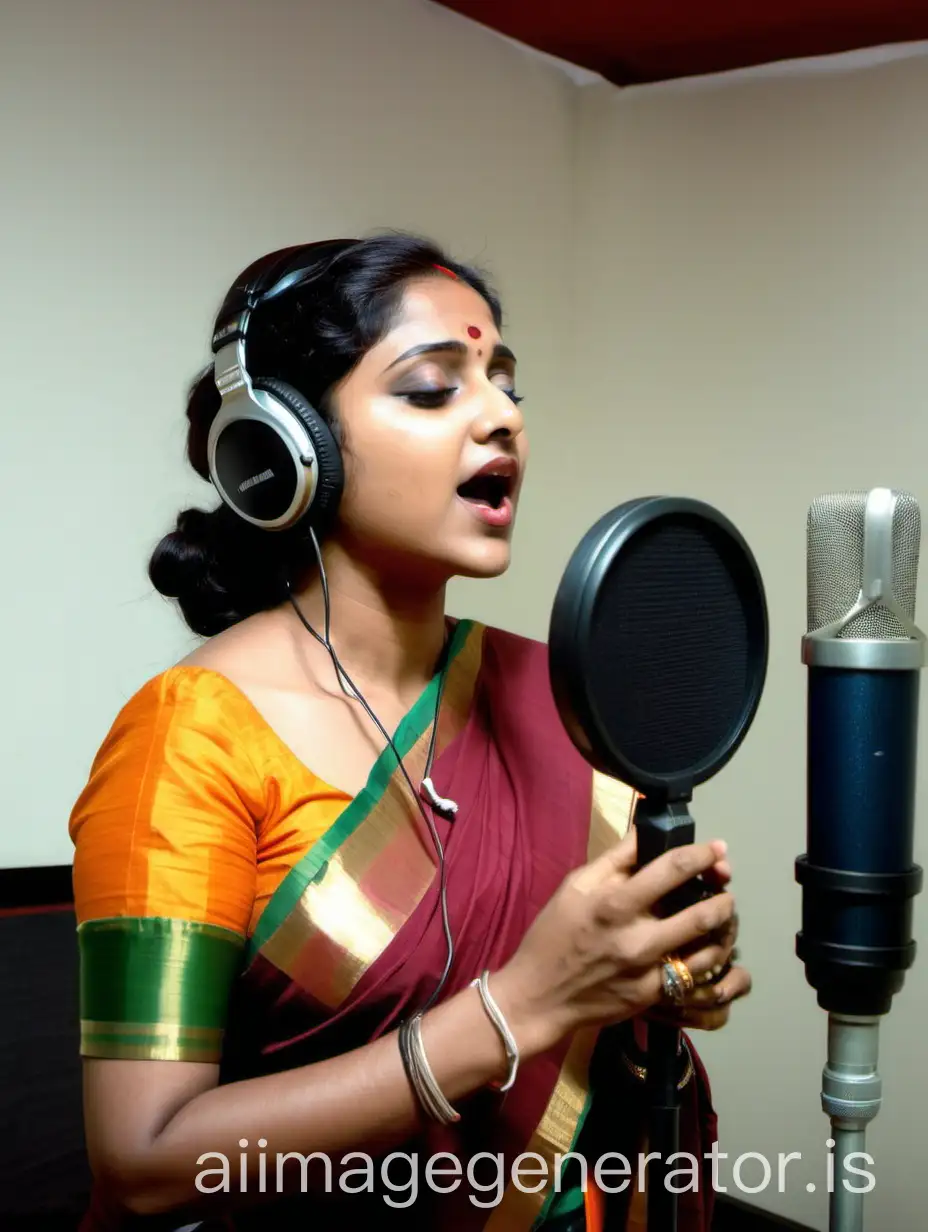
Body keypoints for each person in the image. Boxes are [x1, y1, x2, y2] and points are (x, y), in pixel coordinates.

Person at [69, 233, 750, 1231]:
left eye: (506, 384)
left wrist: (657, 988)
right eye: (433, 388)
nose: (501, 416)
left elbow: (607, 1037)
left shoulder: (554, 693)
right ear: (282, 449)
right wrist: (520, 1006)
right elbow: (144, 1157)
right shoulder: (193, 737)